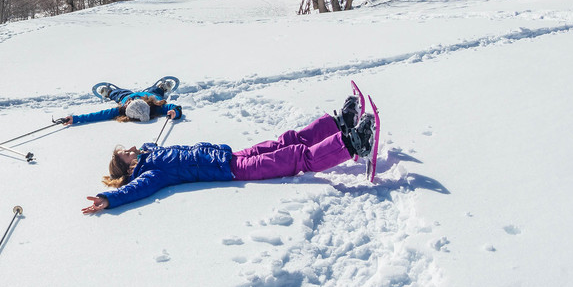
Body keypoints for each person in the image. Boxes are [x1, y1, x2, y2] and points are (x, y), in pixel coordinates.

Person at [81, 95, 377, 213]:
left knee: (288, 140)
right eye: (125, 153)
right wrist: (110, 198)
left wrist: (171, 112)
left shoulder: (151, 154)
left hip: (230, 156)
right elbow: (136, 190)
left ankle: (339, 124)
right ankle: (353, 144)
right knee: (296, 157)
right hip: (234, 170)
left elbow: (154, 142)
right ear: (127, 167)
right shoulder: (150, 173)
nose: (131, 148)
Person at [58, 77, 183, 126]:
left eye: (128, 104)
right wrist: (175, 112)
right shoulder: (156, 105)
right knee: (156, 91)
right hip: (151, 95)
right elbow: (175, 107)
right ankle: (162, 88)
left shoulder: (121, 109)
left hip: (127, 95)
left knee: (120, 95)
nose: (129, 102)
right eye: (131, 102)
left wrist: (75, 119)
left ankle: (109, 92)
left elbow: (99, 115)